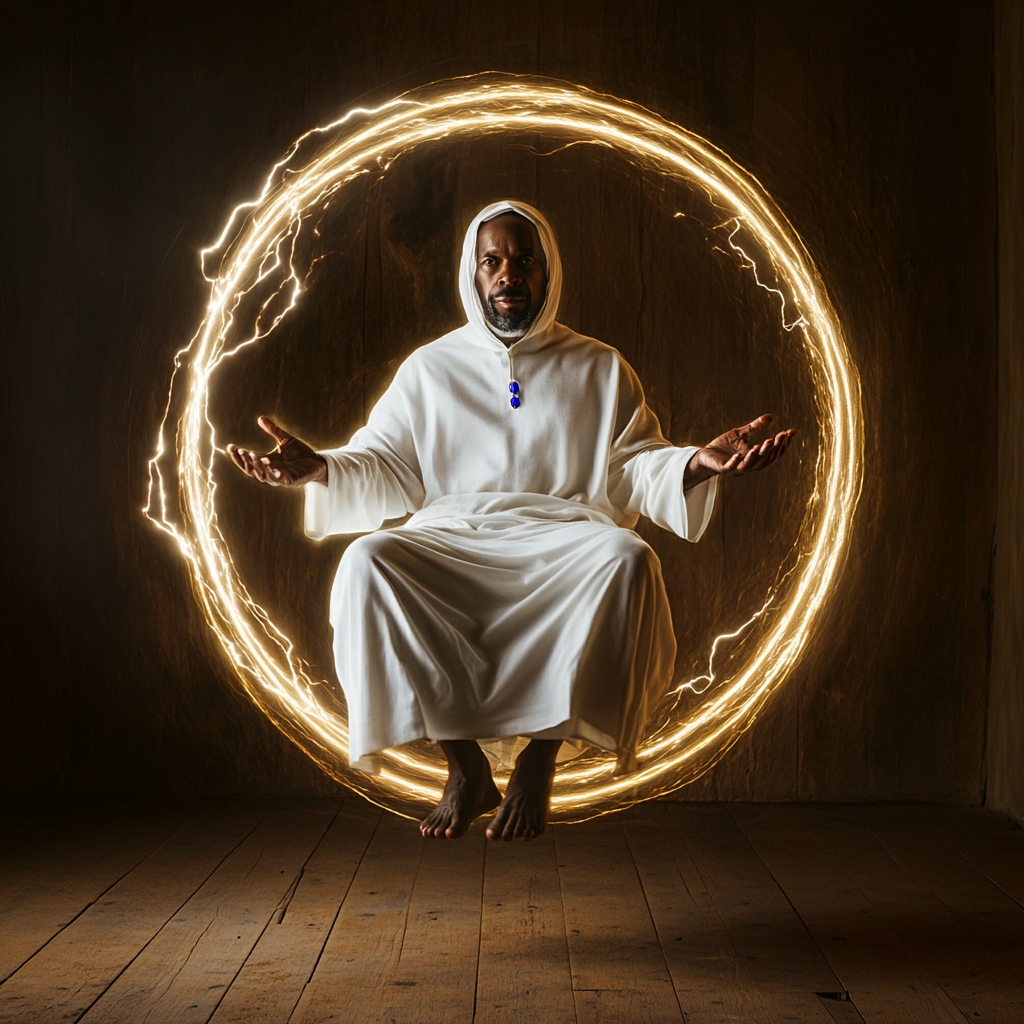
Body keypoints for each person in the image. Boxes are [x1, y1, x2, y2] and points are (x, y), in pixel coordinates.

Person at [227, 200, 794, 843]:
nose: (508, 275)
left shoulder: (600, 366)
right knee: (367, 561)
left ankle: (539, 760)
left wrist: (696, 463)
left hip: (566, 538)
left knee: (629, 559)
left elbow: (633, 467)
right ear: (473, 273)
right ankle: (465, 767)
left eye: (524, 261)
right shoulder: (429, 368)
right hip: (453, 536)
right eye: (493, 261)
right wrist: (321, 469)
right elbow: (386, 465)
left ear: (547, 271)